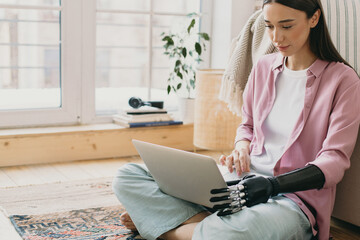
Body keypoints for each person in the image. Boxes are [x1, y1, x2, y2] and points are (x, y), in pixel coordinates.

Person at [112, 0, 360, 239]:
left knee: (229, 235)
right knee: (128, 175)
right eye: (269, 26)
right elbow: (248, 126)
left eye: (286, 26)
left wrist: (272, 186)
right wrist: (242, 147)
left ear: (314, 18)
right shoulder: (263, 67)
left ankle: (164, 227)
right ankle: (201, 225)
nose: (276, 38)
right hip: (240, 182)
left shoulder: (343, 80)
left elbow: (334, 161)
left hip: (291, 201)